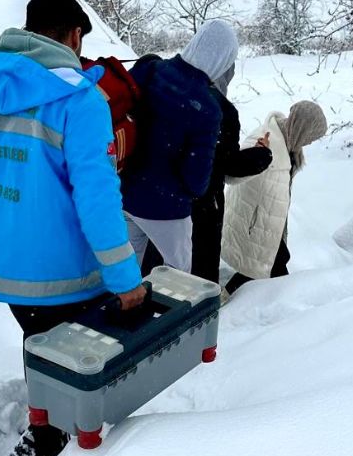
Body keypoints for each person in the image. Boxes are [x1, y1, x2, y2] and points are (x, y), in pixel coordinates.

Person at [0, 0, 147, 456]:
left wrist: (9, 201)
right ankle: (67, 440)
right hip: (63, 270)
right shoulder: (81, 100)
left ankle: (45, 427)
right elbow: (97, 200)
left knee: (38, 337)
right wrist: (125, 279)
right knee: (77, 353)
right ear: (74, 37)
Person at [119, 19, 238, 274]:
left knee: (126, 272)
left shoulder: (151, 69)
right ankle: (166, 314)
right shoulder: (208, 109)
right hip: (168, 210)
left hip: (125, 194)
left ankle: (125, 310)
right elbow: (196, 181)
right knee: (179, 279)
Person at [140, 64, 274, 283]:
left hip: (160, 197)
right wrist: (262, 154)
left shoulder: (169, 87)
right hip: (202, 205)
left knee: (161, 265)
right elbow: (226, 163)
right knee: (196, 277)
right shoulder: (221, 109)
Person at [221, 101, 328, 294]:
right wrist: (259, 154)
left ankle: (231, 298)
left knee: (264, 266)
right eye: (311, 136)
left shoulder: (289, 142)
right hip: (254, 222)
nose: (310, 142)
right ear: (302, 128)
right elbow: (234, 175)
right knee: (263, 267)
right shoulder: (264, 139)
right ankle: (235, 302)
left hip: (269, 220)